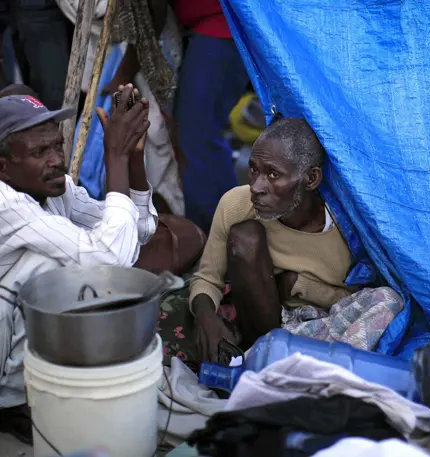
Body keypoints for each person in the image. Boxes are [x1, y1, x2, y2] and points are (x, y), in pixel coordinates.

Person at [0, 84, 156, 443]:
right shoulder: (6, 202)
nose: (57, 159)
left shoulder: (56, 185)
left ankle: (32, 390)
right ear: (3, 168)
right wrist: (113, 158)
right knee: (50, 266)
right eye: (40, 151)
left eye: (57, 145)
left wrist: (132, 159)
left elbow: (139, 232)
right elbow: (111, 257)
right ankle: (11, 403)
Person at [188, 117, 404, 363]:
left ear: (311, 179)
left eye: (273, 174)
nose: (257, 186)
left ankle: (325, 367)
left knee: (389, 299)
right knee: (245, 236)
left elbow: (357, 296)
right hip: (271, 325)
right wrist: (206, 318)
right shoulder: (236, 204)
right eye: (253, 169)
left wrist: (299, 284)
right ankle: (271, 358)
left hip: (332, 323)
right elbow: (207, 278)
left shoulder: (347, 223)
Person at [173, 0, 250, 233]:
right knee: (197, 133)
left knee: (197, 134)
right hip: (211, 27)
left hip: (220, 26)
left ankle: (220, 232)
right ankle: (227, 230)